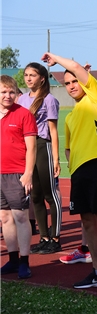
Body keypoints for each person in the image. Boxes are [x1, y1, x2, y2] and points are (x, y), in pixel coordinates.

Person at [42, 52, 97, 293]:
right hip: (79, 172)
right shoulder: (71, 116)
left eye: (74, 81)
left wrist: (56, 59)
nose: (70, 86)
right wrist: (74, 168)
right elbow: (68, 149)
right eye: (66, 84)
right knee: (87, 222)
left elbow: (76, 67)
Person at [17, 63, 62, 255]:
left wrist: (57, 159)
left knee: (50, 194)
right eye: (26, 75)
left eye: (32, 75)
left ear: (42, 78)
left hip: (43, 146)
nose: (28, 78)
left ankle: (56, 237)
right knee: (34, 195)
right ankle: (43, 237)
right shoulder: (21, 100)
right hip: (28, 148)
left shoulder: (49, 100)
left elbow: (53, 130)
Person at [0, 75, 37, 279]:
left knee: (21, 216)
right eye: (4, 92)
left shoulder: (24, 114)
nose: (8, 95)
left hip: (17, 174)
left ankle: (24, 261)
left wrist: (28, 173)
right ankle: (13, 260)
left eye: (11, 92)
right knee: (5, 217)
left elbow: (31, 148)